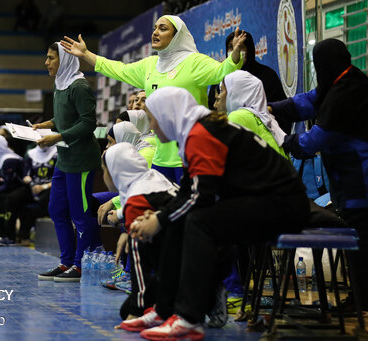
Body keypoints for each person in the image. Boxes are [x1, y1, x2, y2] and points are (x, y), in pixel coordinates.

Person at [122, 87, 310, 340]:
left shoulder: (201, 133)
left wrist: (159, 219)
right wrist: (159, 216)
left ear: (168, 115)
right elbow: (186, 194)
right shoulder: (194, 131)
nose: (152, 126)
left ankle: (189, 317)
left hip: (283, 205)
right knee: (178, 220)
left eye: (153, 118)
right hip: (265, 201)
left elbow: (201, 198)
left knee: (198, 220)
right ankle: (164, 310)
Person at [270, 38, 368, 315]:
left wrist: (283, 139)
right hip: (362, 169)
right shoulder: (342, 79)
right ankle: (365, 300)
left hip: (363, 172)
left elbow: (315, 140)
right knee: (364, 234)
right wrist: (274, 108)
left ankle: (362, 302)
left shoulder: (346, 92)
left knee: (360, 235)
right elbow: (309, 101)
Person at [61, 15, 247, 184]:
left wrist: (235, 55)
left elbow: (222, 72)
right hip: (160, 157)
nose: (156, 32)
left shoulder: (194, 62)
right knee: (161, 210)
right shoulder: (150, 65)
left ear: (176, 36)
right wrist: (86, 54)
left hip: (191, 153)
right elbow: (119, 69)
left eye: (163, 28)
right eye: (155, 28)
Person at [34, 42, 101, 282]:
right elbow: (65, 116)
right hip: (64, 159)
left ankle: (81, 265)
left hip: (81, 161)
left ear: (65, 60)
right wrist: (46, 125)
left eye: (51, 58)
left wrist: (58, 136)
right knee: (56, 209)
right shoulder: (60, 83)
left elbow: (88, 123)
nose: (47, 62)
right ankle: (66, 263)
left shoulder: (80, 86)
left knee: (80, 215)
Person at [103, 143, 178, 321]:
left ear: (115, 171)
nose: (104, 176)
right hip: (200, 258)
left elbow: (140, 263)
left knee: (135, 240)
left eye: (104, 170)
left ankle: (189, 299)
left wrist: (135, 313)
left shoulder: (137, 199)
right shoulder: (153, 178)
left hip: (182, 267)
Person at [216, 70, 287, 157]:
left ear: (234, 93)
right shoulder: (262, 116)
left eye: (222, 90)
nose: (219, 96)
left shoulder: (238, 117)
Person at [20, 144, 57, 244]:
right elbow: (25, 175)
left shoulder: (56, 153)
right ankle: (23, 236)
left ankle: (42, 232)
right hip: (34, 186)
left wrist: (43, 187)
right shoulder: (31, 154)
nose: (42, 143)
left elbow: (60, 177)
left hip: (50, 186)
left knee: (44, 199)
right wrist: (32, 185)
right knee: (19, 198)